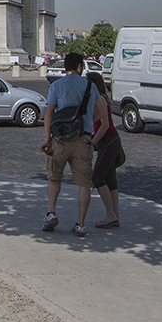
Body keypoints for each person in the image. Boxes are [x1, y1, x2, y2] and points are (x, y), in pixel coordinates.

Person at [39, 52, 94, 237]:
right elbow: (100, 112)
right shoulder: (90, 86)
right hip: (83, 139)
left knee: (54, 178)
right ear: (79, 67)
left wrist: (47, 138)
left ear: (65, 67)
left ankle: (51, 213)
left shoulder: (56, 86)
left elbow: (49, 114)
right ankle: (80, 224)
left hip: (60, 140)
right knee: (83, 184)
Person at [87, 70, 122, 228]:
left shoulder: (99, 99)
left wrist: (93, 141)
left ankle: (110, 214)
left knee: (98, 178)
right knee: (110, 180)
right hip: (110, 140)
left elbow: (105, 124)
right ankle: (115, 216)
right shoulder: (103, 97)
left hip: (108, 141)